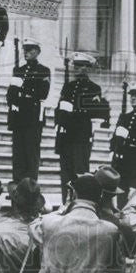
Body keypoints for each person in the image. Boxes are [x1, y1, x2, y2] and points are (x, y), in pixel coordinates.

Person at [54, 52, 110, 198]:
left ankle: (78, 201)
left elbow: (92, 111)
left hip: (81, 135)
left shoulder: (93, 88)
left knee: (79, 171)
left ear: (87, 68)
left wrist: (73, 111)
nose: (77, 69)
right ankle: (65, 201)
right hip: (65, 135)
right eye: (76, 66)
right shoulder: (68, 86)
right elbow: (59, 108)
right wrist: (58, 122)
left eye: (81, 66)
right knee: (65, 172)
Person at [6, 38, 51, 182]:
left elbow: (42, 93)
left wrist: (22, 94)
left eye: (30, 50)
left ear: (37, 52)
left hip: (32, 117)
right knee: (18, 153)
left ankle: (30, 185)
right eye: (25, 49)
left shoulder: (43, 71)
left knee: (31, 153)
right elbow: (11, 94)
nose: (26, 52)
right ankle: (18, 184)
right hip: (18, 117)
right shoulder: (18, 70)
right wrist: (21, 96)